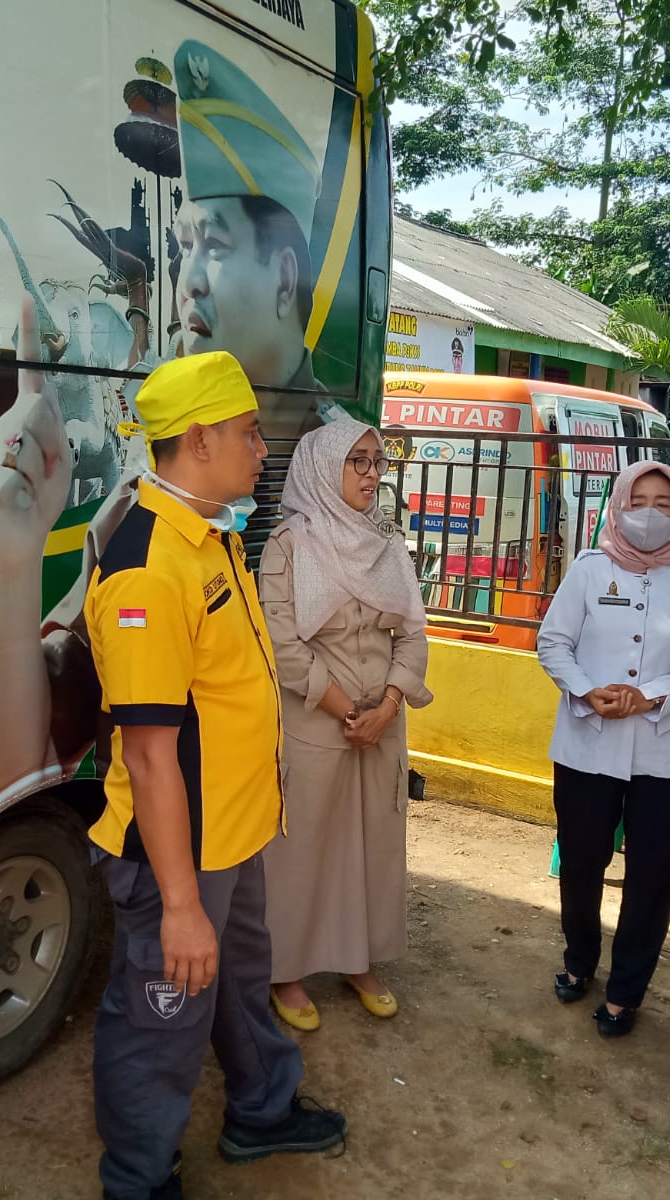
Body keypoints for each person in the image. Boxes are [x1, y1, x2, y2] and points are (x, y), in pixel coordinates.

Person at [81, 351, 346, 1200]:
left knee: (237, 983)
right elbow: (152, 752)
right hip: (179, 857)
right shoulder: (150, 567)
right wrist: (184, 906)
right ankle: (136, 1177)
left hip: (230, 834)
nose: (260, 451)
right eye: (244, 435)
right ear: (196, 441)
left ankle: (262, 1111)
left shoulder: (210, 531)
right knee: (159, 1020)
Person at [536, 460, 670, 1038]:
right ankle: (578, 960)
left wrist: (650, 696)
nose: (648, 512)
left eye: (663, 503)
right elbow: (553, 642)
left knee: (651, 875)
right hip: (586, 748)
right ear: (616, 505)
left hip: (666, 758)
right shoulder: (590, 570)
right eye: (637, 499)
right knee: (582, 863)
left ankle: (625, 993)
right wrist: (587, 690)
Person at [258, 416, 431, 1030]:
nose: (370, 474)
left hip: (379, 726)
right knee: (305, 847)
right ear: (322, 466)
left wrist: (386, 708)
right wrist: (345, 710)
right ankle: (288, 969)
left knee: (374, 845)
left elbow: (412, 633)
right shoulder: (288, 547)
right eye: (356, 461)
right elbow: (280, 641)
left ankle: (360, 960)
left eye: (376, 462)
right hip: (316, 724)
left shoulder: (385, 542)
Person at [172, 39, 322, 397]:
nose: (189, 283)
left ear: (286, 281)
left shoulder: (329, 446)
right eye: (185, 247)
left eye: (216, 245)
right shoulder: (175, 423)